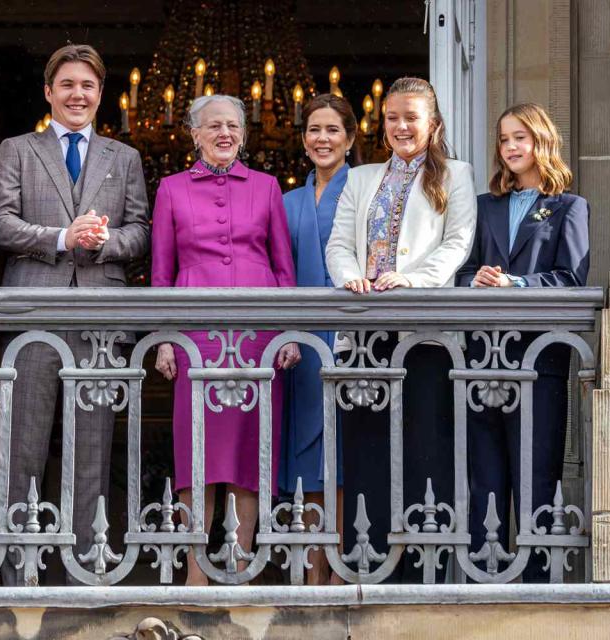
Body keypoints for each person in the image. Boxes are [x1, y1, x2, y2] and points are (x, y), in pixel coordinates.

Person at [0, 44, 150, 583]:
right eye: (68, 85)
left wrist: (102, 242)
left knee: (92, 449)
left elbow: (141, 231)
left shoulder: (123, 158)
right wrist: (61, 236)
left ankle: (87, 565)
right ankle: (17, 568)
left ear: (100, 95)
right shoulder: (18, 149)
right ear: (49, 92)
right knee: (24, 444)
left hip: (99, 320)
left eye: (88, 86)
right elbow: (0, 224)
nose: (78, 95)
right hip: (34, 312)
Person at [325, 77, 477, 582]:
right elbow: (339, 243)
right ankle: (366, 565)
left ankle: (422, 568)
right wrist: (349, 276)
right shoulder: (361, 177)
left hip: (425, 334)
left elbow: (456, 246)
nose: (401, 126)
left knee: (423, 448)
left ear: (432, 123)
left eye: (411, 117)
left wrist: (409, 281)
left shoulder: (456, 175)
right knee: (367, 448)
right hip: (366, 330)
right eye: (392, 117)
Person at [151, 94, 300, 586]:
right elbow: (162, 272)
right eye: (213, 125)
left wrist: (288, 332)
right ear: (194, 134)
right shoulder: (171, 189)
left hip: (258, 332)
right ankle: (196, 569)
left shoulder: (268, 187)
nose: (224, 134)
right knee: (196, 454)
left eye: (233, 126)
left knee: (251, 452)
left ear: (243, 133)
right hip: (196, 331)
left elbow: (283, 267)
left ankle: (242, 565)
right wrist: (165, 339)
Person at [456, 103, 589, 581]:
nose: (511, 148)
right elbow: (464, 268)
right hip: (480, 358)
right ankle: (479, 579)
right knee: (484, 477)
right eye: (504, 139)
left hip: (539, 359)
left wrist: (516, 284)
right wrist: (476, 279)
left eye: (520, 138)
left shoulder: (569, 206)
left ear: (541, 142)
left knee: (536, 474)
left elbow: (572, 278)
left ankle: (536, 582)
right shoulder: (483, 205)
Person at [280, 93, 359, 585]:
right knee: (307, 458)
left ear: (350, 138)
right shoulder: (284, 199)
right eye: (314, 129)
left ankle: (343, 569)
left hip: (350, 338)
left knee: (345, 455)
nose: (322, 139)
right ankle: (313, 572)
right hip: (296, 344)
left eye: (332, 130)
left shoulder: (367, 190)